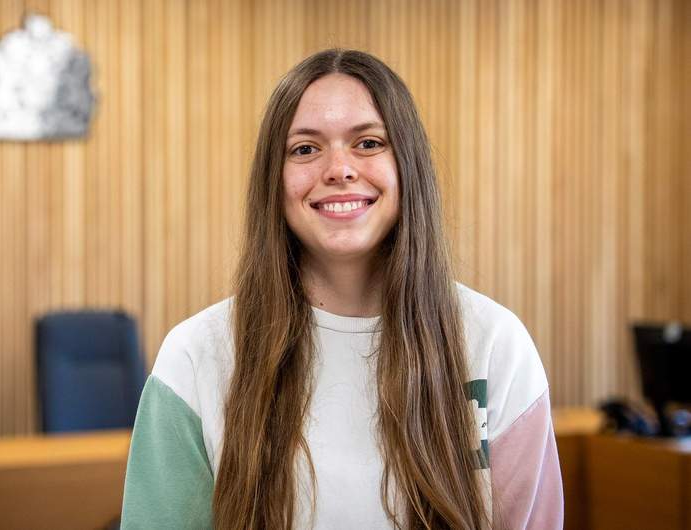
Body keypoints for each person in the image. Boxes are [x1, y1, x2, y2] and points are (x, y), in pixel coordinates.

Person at [121, 49, 563, 530]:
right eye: (305, 149)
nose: (339, 169)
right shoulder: (194, 357)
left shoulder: (495, 344)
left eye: (369, 143)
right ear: (275, 180)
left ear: (407, 166)